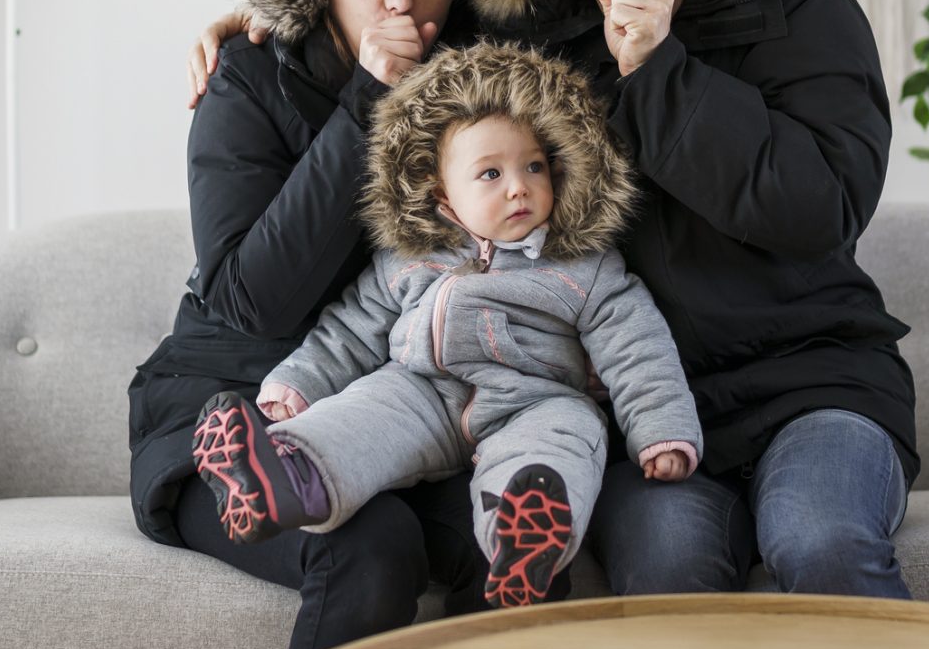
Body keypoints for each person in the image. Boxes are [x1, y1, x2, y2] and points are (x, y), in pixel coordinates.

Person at [191, 0, 918, 601]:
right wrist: (272, 23)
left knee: (821, 540)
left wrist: (661, 71)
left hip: (815, 384)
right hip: (646, 409)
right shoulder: (544, 26)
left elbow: (824, 207)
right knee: (666, 569)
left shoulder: (801, 4)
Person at [129, 0, 531, 649]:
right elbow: (254, 300)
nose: (401, 0)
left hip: (387, 418)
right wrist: (367, 103)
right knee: (368, 547)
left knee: (512, 537)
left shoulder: (476, 95)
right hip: (228, 406)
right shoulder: (247, 77)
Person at [190, 43, 702, 607]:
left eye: (534, 166)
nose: (518, 186)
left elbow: (638, 349)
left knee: (564, 441)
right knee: (362, 415)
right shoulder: (409, 256)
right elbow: (351, 330)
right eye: (491, 173)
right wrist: (297, 384)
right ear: (443, 194)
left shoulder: (586, 267)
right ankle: (287, 478)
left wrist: (661, 430)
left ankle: (523, 537)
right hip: (421, 390)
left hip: (536, 400)